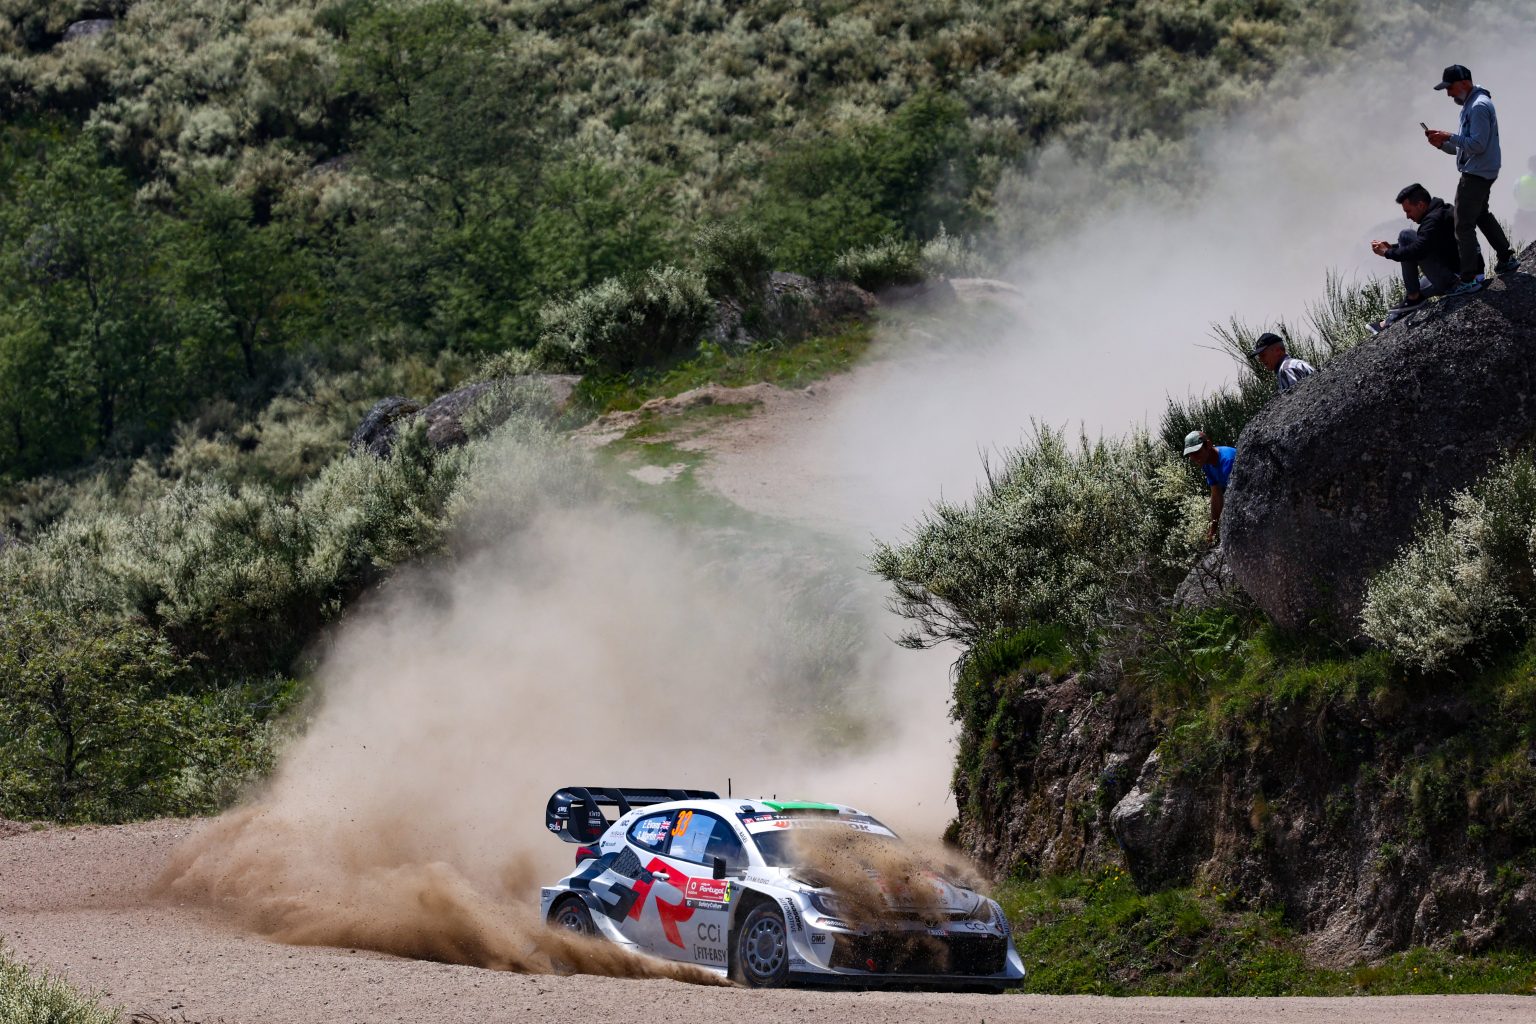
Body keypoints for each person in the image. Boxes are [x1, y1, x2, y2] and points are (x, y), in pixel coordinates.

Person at [1424, 64, 1519, 295]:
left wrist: (1449, 136)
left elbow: (1477, 145)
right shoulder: (1471, 105)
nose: (1448, 93)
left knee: (1463, 225)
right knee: (1481, 214)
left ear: (1465, 83)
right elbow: (1465, 147)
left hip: (1476, 175)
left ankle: (1469, 278)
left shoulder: (1478, 107)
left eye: (1450, 87)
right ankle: (1506, 258)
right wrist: (1442, 144)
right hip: (1482, 170)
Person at [1367, 183, 1459, 332]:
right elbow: (1427, 244)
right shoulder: (1443, 211)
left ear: (1421, 205)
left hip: (1453, 279)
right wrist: (1394, 248)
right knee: (1415, 297)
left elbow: (1419, 249)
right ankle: (1387, 323)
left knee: (1406, 235)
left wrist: (1387, 253)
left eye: (1408, 211)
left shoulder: (1433, 220)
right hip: (1452, 272)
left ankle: (1412, 296)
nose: (1408, 216)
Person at [1182, 431, 1235, 546]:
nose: (1194, 457)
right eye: (1190, 454)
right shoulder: (1206, 463)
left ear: (1209, 445)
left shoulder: (1227, 461)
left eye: (1197, 452)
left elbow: (1235, 497)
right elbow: (1216, 495)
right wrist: (1213, 530)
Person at [1251, 332, 1316, 392]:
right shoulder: (1294, 364)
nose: (1260, 360)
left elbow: (1298, 398)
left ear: (1278, 351)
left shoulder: (1286, 369)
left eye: (1263, 355)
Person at [1514, 155, 1536, 245]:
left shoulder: (1520, 180)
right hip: (1534, 215)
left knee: (1519, 241)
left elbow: (1515, 193)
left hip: (1522, 214)